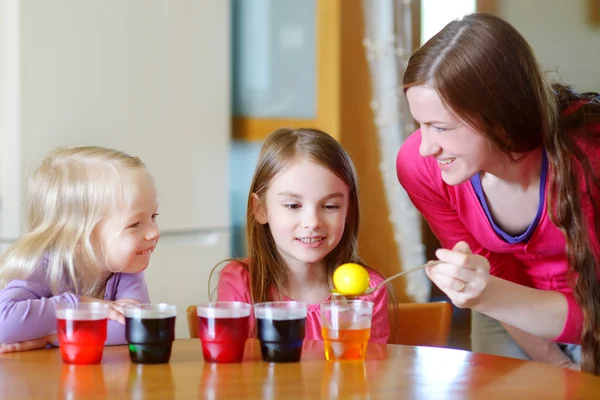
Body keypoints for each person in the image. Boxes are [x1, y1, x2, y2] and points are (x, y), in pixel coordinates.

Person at [397, 12, 600, 373]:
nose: (426, 147)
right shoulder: (419, 166)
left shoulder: (589, 157)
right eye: (420, 124)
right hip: (506, 310)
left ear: (500, 116)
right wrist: (554, 363)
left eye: (440, 127)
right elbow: (493, 281)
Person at [215, 128, 391, 343]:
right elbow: (233, 372)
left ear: (348, 211)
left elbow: (373, 370)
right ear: (260, 209)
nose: (313, 222)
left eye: (330, 206)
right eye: (293, 205)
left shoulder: (369, 289)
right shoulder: (241, 282)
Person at [0, 146, 160, 352]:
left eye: (154, 217)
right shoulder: (44, 267)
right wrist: (79, 304)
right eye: (135, 224)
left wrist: (50, 335)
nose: (154, 232)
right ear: (77, 236)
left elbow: (135, 327)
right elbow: (4, 324)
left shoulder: (127, 269)